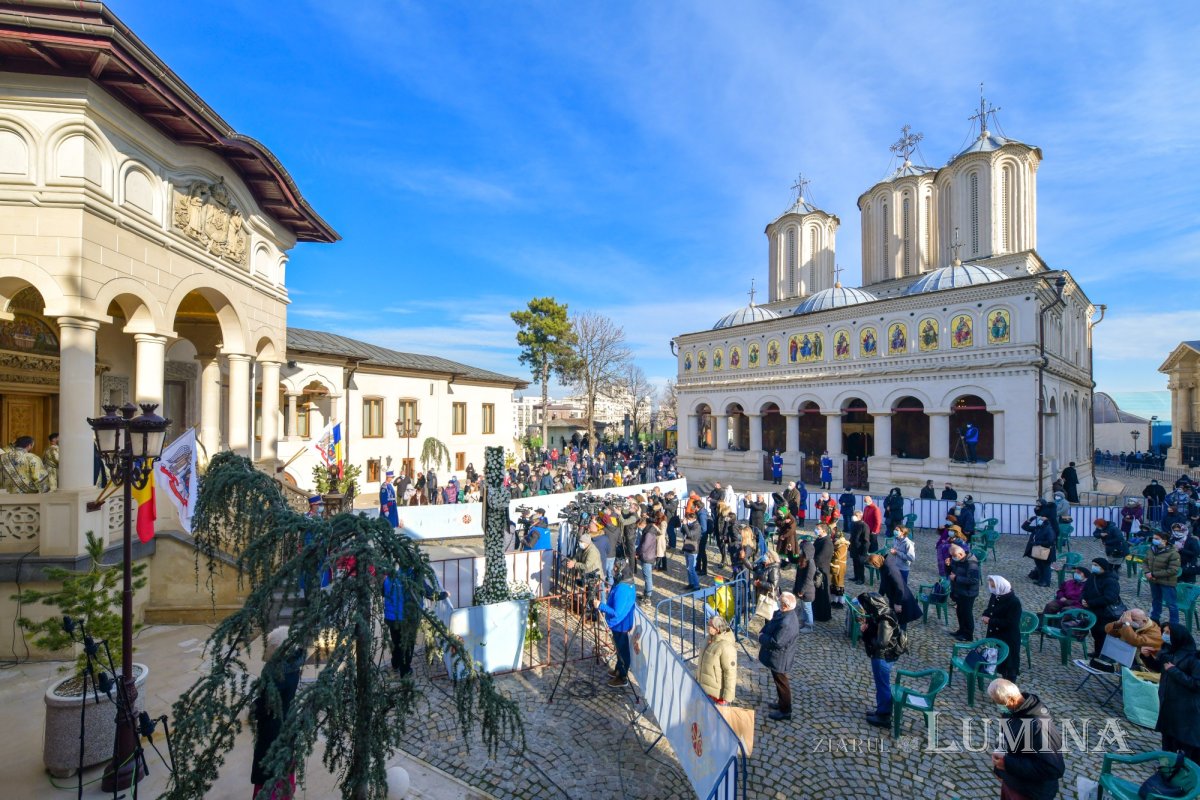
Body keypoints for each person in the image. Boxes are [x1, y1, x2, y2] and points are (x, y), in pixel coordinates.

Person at [988, 679, 1065, 800]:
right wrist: (999, 769)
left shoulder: (1039, 726)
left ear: (1012, 700)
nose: (998, 707)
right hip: (1011, 782)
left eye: (999, 703)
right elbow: (1004, 738)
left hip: (1030, 793)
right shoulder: (1011, 711)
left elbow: (1053, 769)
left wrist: (1007, 764)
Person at [252, 626, 305, 800]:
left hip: (272, 728)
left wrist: (254, 708)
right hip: (288, 720)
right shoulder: (294, 664)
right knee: (285, 761)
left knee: (268, 768)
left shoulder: (274, 674)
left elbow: (265, 706)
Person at [1150, 624, 1200, 762]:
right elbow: (1160, 668)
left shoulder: (1194, 659)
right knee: (1167, 738)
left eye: (1168, 632)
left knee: (1183, 744)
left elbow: (1197, 684)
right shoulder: (1169, 652)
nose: (1164, 635)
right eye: (1164, 632)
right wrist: (1147, 657)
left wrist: (1174, 671)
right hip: (1169, 704)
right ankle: (1166, 766)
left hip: (1186, 710)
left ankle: (1180, 769)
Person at [858, 591, 908, 729]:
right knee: (881, 685)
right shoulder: (881, 615)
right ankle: (881, 710)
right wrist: (867, 629)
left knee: (883, 686)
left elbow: (881, 643)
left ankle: (884, 716)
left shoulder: (885, 619)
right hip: (883, 656)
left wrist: (867, 633)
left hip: (883, 657)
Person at [758, 591, 800, 721]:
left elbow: (777, 642)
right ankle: (782, 703)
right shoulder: (784, 613)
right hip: (779, 657)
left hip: (781, 658)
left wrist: (762, 637)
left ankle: (785, 710)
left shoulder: (787, 623)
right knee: (779, 682)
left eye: (780, 601)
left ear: (785, 605)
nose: (777, 601)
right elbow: (771, 624)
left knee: (782, 684)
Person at [595, 559, 637, 688]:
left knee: (622, 651)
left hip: (620, 624)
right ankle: (618, 669)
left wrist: (600, 605)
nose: (613, 571)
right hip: (621, 623)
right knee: (619, 649)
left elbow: (616, 612)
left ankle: (622, 677)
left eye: (615, 569)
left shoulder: (623, 589)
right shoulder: (624, 583)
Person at [1080, 557, 1123, 656]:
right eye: (1093, 565)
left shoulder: (1111, 581)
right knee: (1095, 633)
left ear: (1103, 567)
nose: (1093, 567)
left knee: (1102, 633)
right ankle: (1098, 652)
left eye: (1096, 565)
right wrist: (1082, 599)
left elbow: (1110, 598)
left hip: (1105, 613)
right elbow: (1084, 590)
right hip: (1092, 611)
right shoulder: (1093, 577)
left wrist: (1091, 603)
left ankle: (1105, 654)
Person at [982, 576, 1023, 681]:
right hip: (995, 634)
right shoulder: (995, 595)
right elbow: (990, 609)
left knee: (1009, 664)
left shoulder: (1014, 602)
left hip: (1008, 637)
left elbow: (1011, 623)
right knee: (995, 660)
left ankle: (1010, 685)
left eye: (993, 586)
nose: (992, 589)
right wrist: (985, 615)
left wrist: (991, 621)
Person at [867, 552, 920, 631]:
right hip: (894, 597)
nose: (873, 567)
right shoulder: (883, 566)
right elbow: (883, 582)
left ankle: (902, 637)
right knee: (896, 619)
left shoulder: (890, 569)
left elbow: (900, 586)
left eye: (872, 565)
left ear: (876, 563)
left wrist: (898, 603)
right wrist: (879, 596)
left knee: (901, 620)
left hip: (901, 599)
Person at [1103, 608, 1163, 673]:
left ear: (1144, 621)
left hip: (1145, 665)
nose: (1131, 621)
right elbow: (1108, 630)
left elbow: (1135, 641)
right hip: (1128, 656)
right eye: (1129, 619)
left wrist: (1126, 623)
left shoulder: (1155, 633)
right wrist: (1119, 622)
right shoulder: (1132, 625)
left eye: (1134, 620)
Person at [382, 569, 418, 676]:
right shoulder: (413, 576)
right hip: (406, 618)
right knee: (407, 644)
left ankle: (395, 664)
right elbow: (428, 592)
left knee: (396, 641)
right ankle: (405, 670)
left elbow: (383, 592)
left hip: (391, 617)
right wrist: (443, 595)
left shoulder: (390, 577)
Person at [698, 614, 737, 704]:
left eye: (710, 625)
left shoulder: (726, 647)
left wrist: (727, 697)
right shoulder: (708, 638)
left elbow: (730, 673)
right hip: (704, 690)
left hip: (717, 696)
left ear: (717, 629)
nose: (707, 626)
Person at [1145, 529, 1182, 626]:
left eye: (1157, 538)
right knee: (1156, 600)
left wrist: (1154, 574)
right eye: (1153, 538)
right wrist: (1147, 572)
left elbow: (1173, 570)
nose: (1154, 540)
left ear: (1164, 541)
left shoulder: (1173, 553)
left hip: (1167, 582)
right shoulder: (1152, 549)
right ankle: (1154, 620)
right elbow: (1145, 562)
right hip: (1153, 581)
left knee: (1171, 604)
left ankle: (1174, 625)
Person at [947, 543, 981, 642]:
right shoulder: (959, 559)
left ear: (961, 554)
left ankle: (968, 635)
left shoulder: (972, 564)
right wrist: (948, 565)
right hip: (959, 591)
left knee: (967, 613)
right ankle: (961, 630)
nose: (953, 558)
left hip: (968, 593)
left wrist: (956, 578)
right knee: (960, 612)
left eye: (954, 556)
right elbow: (952, 571)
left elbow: (974, 580)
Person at [1021, 503, 1057, 588]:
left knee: (1046, 567)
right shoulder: (1039, 527)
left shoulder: (1049, 529)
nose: (1040, 519)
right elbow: (1024, 527)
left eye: (1042, 517)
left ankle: (1046, 582)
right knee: (1039, 566)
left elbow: (1050, 541)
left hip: (1047, 551)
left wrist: (1038, 542)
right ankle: (1041, 580)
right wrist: (1029, 520)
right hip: (1038, 550)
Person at [792, 535, 816, 632]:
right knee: (803, 607)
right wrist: (790, 551)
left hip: (807, 591)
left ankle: (809, 626)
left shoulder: (811, 564)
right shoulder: (803, 559)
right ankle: (804, 622)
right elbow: (793, 560)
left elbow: (808, 580)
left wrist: (802, 591)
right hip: (802, 589)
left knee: (807, 608)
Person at [812, 523, 834, 622]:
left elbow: (821, 558)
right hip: (817, 569)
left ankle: (823, 615)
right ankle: (816, 612)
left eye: (818, 529)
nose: (816, 530)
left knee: (823, 593)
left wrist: (811, 562)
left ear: (824, 530)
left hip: (822, 570)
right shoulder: (819, 539)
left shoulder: (827, 542)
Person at [635, 517, 657, 603]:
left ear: (643, 524)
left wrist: (638, 553)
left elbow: (644, 546)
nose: (639, 528)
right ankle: (646, 593)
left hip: (647, 557)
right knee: (647, 577)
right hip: (648, 555)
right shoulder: (649, 530)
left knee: (648, 577)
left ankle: (648, 596)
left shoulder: (648, 533)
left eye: (639, 526)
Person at [848, 509, 871, 584]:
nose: (853, 516)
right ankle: (856, 576)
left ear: (860, 516)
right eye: (853, 514)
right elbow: (852, 536)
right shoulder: (853, 524)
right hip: (854, 547)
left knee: (860, 564)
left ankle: (861, 579)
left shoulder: (864, 526)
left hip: (860, 548)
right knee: (855, 563)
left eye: (855, 515)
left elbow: (866, 540)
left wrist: (864, 551)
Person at [681, 510, 702, 591]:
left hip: (693, 550)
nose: (687, 520)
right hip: (687, 547)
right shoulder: (690, 524)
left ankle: (697, 586)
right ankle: (691, 583)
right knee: (688, 568)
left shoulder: (697, 526)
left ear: (693, 519)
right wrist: (684, 525)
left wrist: (685, 525)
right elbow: (683, 531)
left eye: (688, 519)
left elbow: (690, 534)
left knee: (692, 569)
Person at [829, 525, 849, 608]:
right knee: (834, 584)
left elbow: (838, 555)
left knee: (839, 584)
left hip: (839, 567)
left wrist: (830, 551)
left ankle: (840, 602)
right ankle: (834, 600)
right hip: (835, 566)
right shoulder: (836, 544)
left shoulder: (843, 545)